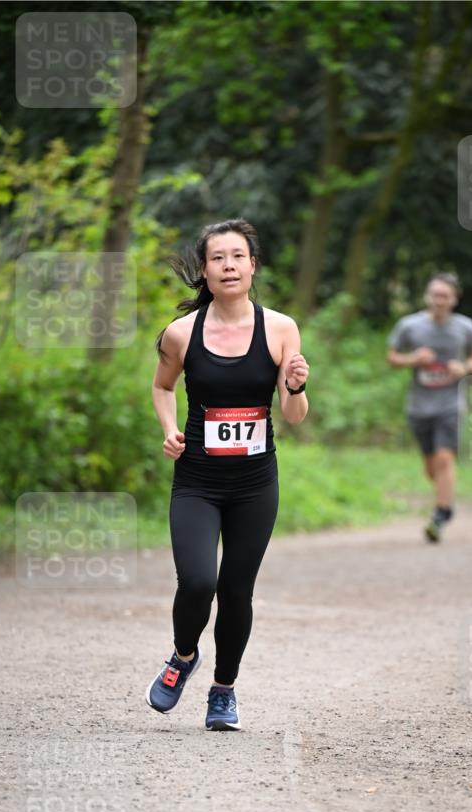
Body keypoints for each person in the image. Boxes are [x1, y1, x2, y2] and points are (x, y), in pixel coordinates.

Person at [146, 218, 309, 730]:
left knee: (236, 591)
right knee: (197, 581)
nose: (229, 265)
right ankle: (183, 657)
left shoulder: (280, 329)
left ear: (252, 266)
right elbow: (163, 387)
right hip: (197, 479)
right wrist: (170, 429)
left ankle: (223, 690)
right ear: (205, 270)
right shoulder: (182, 333)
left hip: (255, 484)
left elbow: (293, 415)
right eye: (218, 258)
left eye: (238, 256)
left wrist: (299, 388)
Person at [386, 272, 472, 542]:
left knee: (445, 458)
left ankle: (440, 514)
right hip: (419, 405)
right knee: (431, 466)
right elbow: (392, 357)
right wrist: (413, 359)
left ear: (454, 299)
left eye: (445, 296)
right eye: (435, 295)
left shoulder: (466, 327)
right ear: (427, 296)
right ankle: (445, 497)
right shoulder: (409, 325)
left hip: (451, 403)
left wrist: (464, 367)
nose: (439, 300)